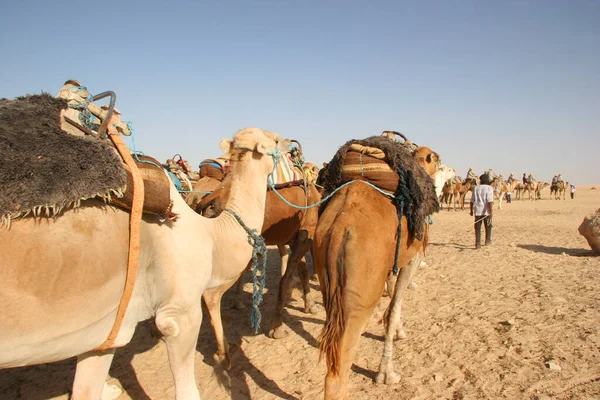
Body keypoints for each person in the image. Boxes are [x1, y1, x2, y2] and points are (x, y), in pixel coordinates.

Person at [470, 173, 494, 249]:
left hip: (477, 211)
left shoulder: (476, 188)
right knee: (488, 226)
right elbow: (490, 201)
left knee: (477, 227)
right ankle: (487, 240)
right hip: (486, 211)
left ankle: (478, 243)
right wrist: (490, 211)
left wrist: (471, 211)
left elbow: (472, 201)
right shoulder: (489, 188)